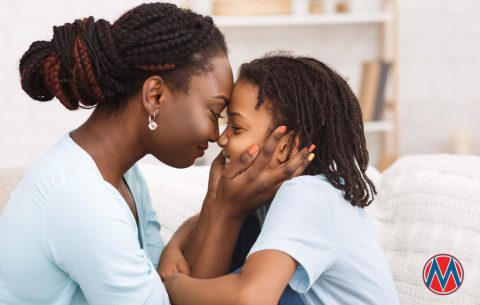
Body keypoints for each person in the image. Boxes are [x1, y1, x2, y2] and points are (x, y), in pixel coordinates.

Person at [0, 4, 313, 304]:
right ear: (155, 96)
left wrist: (216, 203)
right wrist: (227, 213)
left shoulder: (126, 178)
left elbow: (172, 289)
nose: (217, 136)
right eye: (214, 112)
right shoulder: (81, 197)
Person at [163, 52, 401, 305]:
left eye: (236, 127)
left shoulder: (306, 193)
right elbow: (197, 226)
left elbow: (249, 298)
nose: (221, 139)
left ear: (286, 147)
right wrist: (181, 239)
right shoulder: (273, 196)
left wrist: (174, 284)